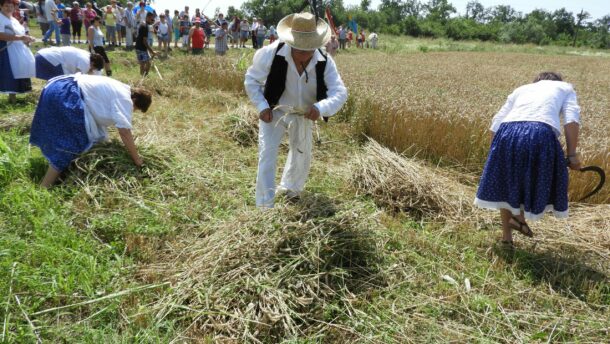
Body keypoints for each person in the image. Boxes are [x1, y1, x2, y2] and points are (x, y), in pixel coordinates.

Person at [244, 12, 348, 208]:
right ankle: (265, 206)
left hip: (303, 113)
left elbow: (340, 93)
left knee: (301, 154)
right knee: (267, 154)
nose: (304, 54)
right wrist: (262, 106)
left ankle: (291, 190)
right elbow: (251, 80)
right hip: (274, 111)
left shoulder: (325, 62)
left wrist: (320, 108)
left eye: (309, 49)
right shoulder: (271, 54)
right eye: (299, 49)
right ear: (290, 42)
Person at [474, 72, 581, 245]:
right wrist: (572, 154)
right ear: (557, 81)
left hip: (505, 132)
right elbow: (571, 120)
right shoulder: (565, 87)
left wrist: (496, 154)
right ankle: (518, 218)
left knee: (506, 186)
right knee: (532, 181)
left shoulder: (522, 89)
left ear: (537, 82)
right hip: (539, 132)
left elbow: (497, 121)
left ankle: (507, 238)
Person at [29, 74, 152, 187]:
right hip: (69, 94)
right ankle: (44, 186)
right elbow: (124, 132)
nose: (132, 111)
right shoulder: (125, 99)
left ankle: (64, 172)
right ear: (135, 101)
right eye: (135, 109)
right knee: (72, 143)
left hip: (56, 87)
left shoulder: (121, 88)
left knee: (69, 136)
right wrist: (137, 159)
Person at [0, 0, 35, 103]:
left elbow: (21, 33)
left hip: (17, 49)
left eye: (11, 6)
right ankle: (12, 98)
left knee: (18, 70)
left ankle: (14, 96)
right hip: (6, 49)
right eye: (6, 6)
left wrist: (27, 40)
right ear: (1, 7)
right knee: (10, 72)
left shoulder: (13, 19)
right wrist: (21, 38)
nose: (9, 8)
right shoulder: (1, 18)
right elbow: (1, 35)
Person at [35, 46, 104, 79]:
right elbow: (77, 78)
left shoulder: (87, 55)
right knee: (61, 83)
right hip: (53, 59)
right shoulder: (86, 62)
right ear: (93, 64)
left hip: (42, 55)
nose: (91, 70)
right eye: (93, 68)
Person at [135, 11, 156, 75]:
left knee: (146, 63)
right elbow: (144, 41)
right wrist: (152, 51)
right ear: (148, 18)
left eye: (153, 20)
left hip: (140, 47)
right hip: (140, 48)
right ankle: (143, 77)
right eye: (152, 19)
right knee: (144, 63)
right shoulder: (145, 26)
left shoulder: (143, 24)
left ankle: (144, 76)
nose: (152, 21)